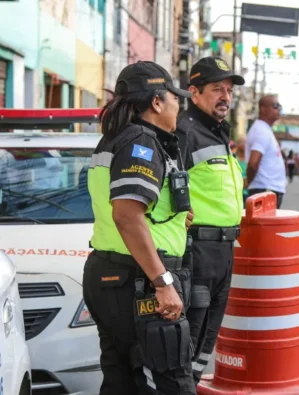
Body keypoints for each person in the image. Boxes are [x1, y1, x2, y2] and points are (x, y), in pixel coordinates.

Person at [82, 61, 196, 394]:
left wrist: (175, 219)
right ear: (157, 102)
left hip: (114, 275)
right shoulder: (141, 144)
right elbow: (127, 216)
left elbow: (133, 209)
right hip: (140, 281)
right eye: (176, 98)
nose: (179, 106)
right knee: (172, 383)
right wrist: (162, 282)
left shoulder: (116, 139)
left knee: (122, 382)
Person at [175, 56, 245, 382]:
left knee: (205, 347)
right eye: (218, 89)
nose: (226, 97)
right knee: (185, 348)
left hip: (223, 254)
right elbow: (165, 184)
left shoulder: (217, 134)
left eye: (229, 90)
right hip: (196, 253)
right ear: (194, 92)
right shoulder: (184, 131)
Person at [246, 95, 287, 207]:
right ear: (263, 109)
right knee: (265, 225)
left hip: (267, 189)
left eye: (279, 106)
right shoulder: (261, 131)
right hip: (264, 191)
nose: (278, 109)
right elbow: (253, 163)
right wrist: (249, 183)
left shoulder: (265, 129)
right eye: (275, 106)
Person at [236, 136, 249, 205]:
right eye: (241, 143)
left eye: (245, 143)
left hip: (248, 192)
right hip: (237, 192)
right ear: (237, 145)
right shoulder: (234, 159)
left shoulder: (250, 159)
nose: (243, 145)